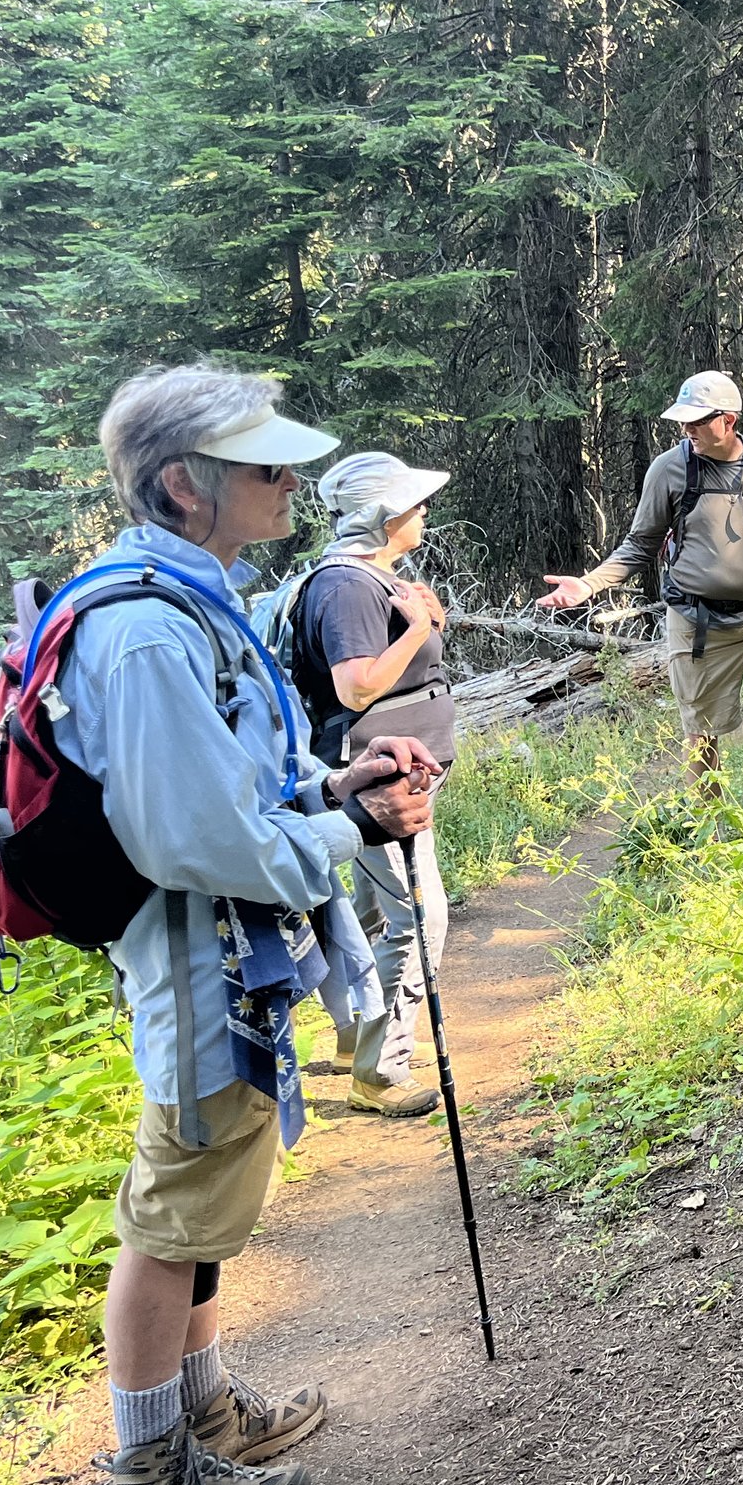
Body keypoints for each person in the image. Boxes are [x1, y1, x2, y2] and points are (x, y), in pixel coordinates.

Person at [66, 363, 435, 1485]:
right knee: (173, 1217)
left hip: (231, 960)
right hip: (196, 966)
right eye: (261, 463)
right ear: (183, 485)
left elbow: (236, 777)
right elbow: (191, 837)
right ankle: (152, 1473)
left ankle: (205, 1411)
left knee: (205, 1200)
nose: (288, 479)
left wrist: (335, 782)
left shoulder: (193, 595)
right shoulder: (142, 632)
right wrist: (351, 828)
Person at [532, 370, 743, 775]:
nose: (686, 427)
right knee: (701, 735)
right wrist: (588, 584)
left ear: (729, 420)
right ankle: (709, 830)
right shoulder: (669, 470)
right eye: (683, 419)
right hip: (699, 625)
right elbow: (640, 545)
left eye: (697, 419)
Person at [279, 449, 458, 1119]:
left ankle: (358, 1034)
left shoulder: (369, 577)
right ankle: (382, 1071)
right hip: (378, 778)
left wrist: (424, 623)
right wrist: (416, 630)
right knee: (419, 917)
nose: (424, 511)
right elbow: (355, 685)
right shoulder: (347, 586)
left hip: (400, 771)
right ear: (382, 516)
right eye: (413, 504)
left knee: (380, 915)